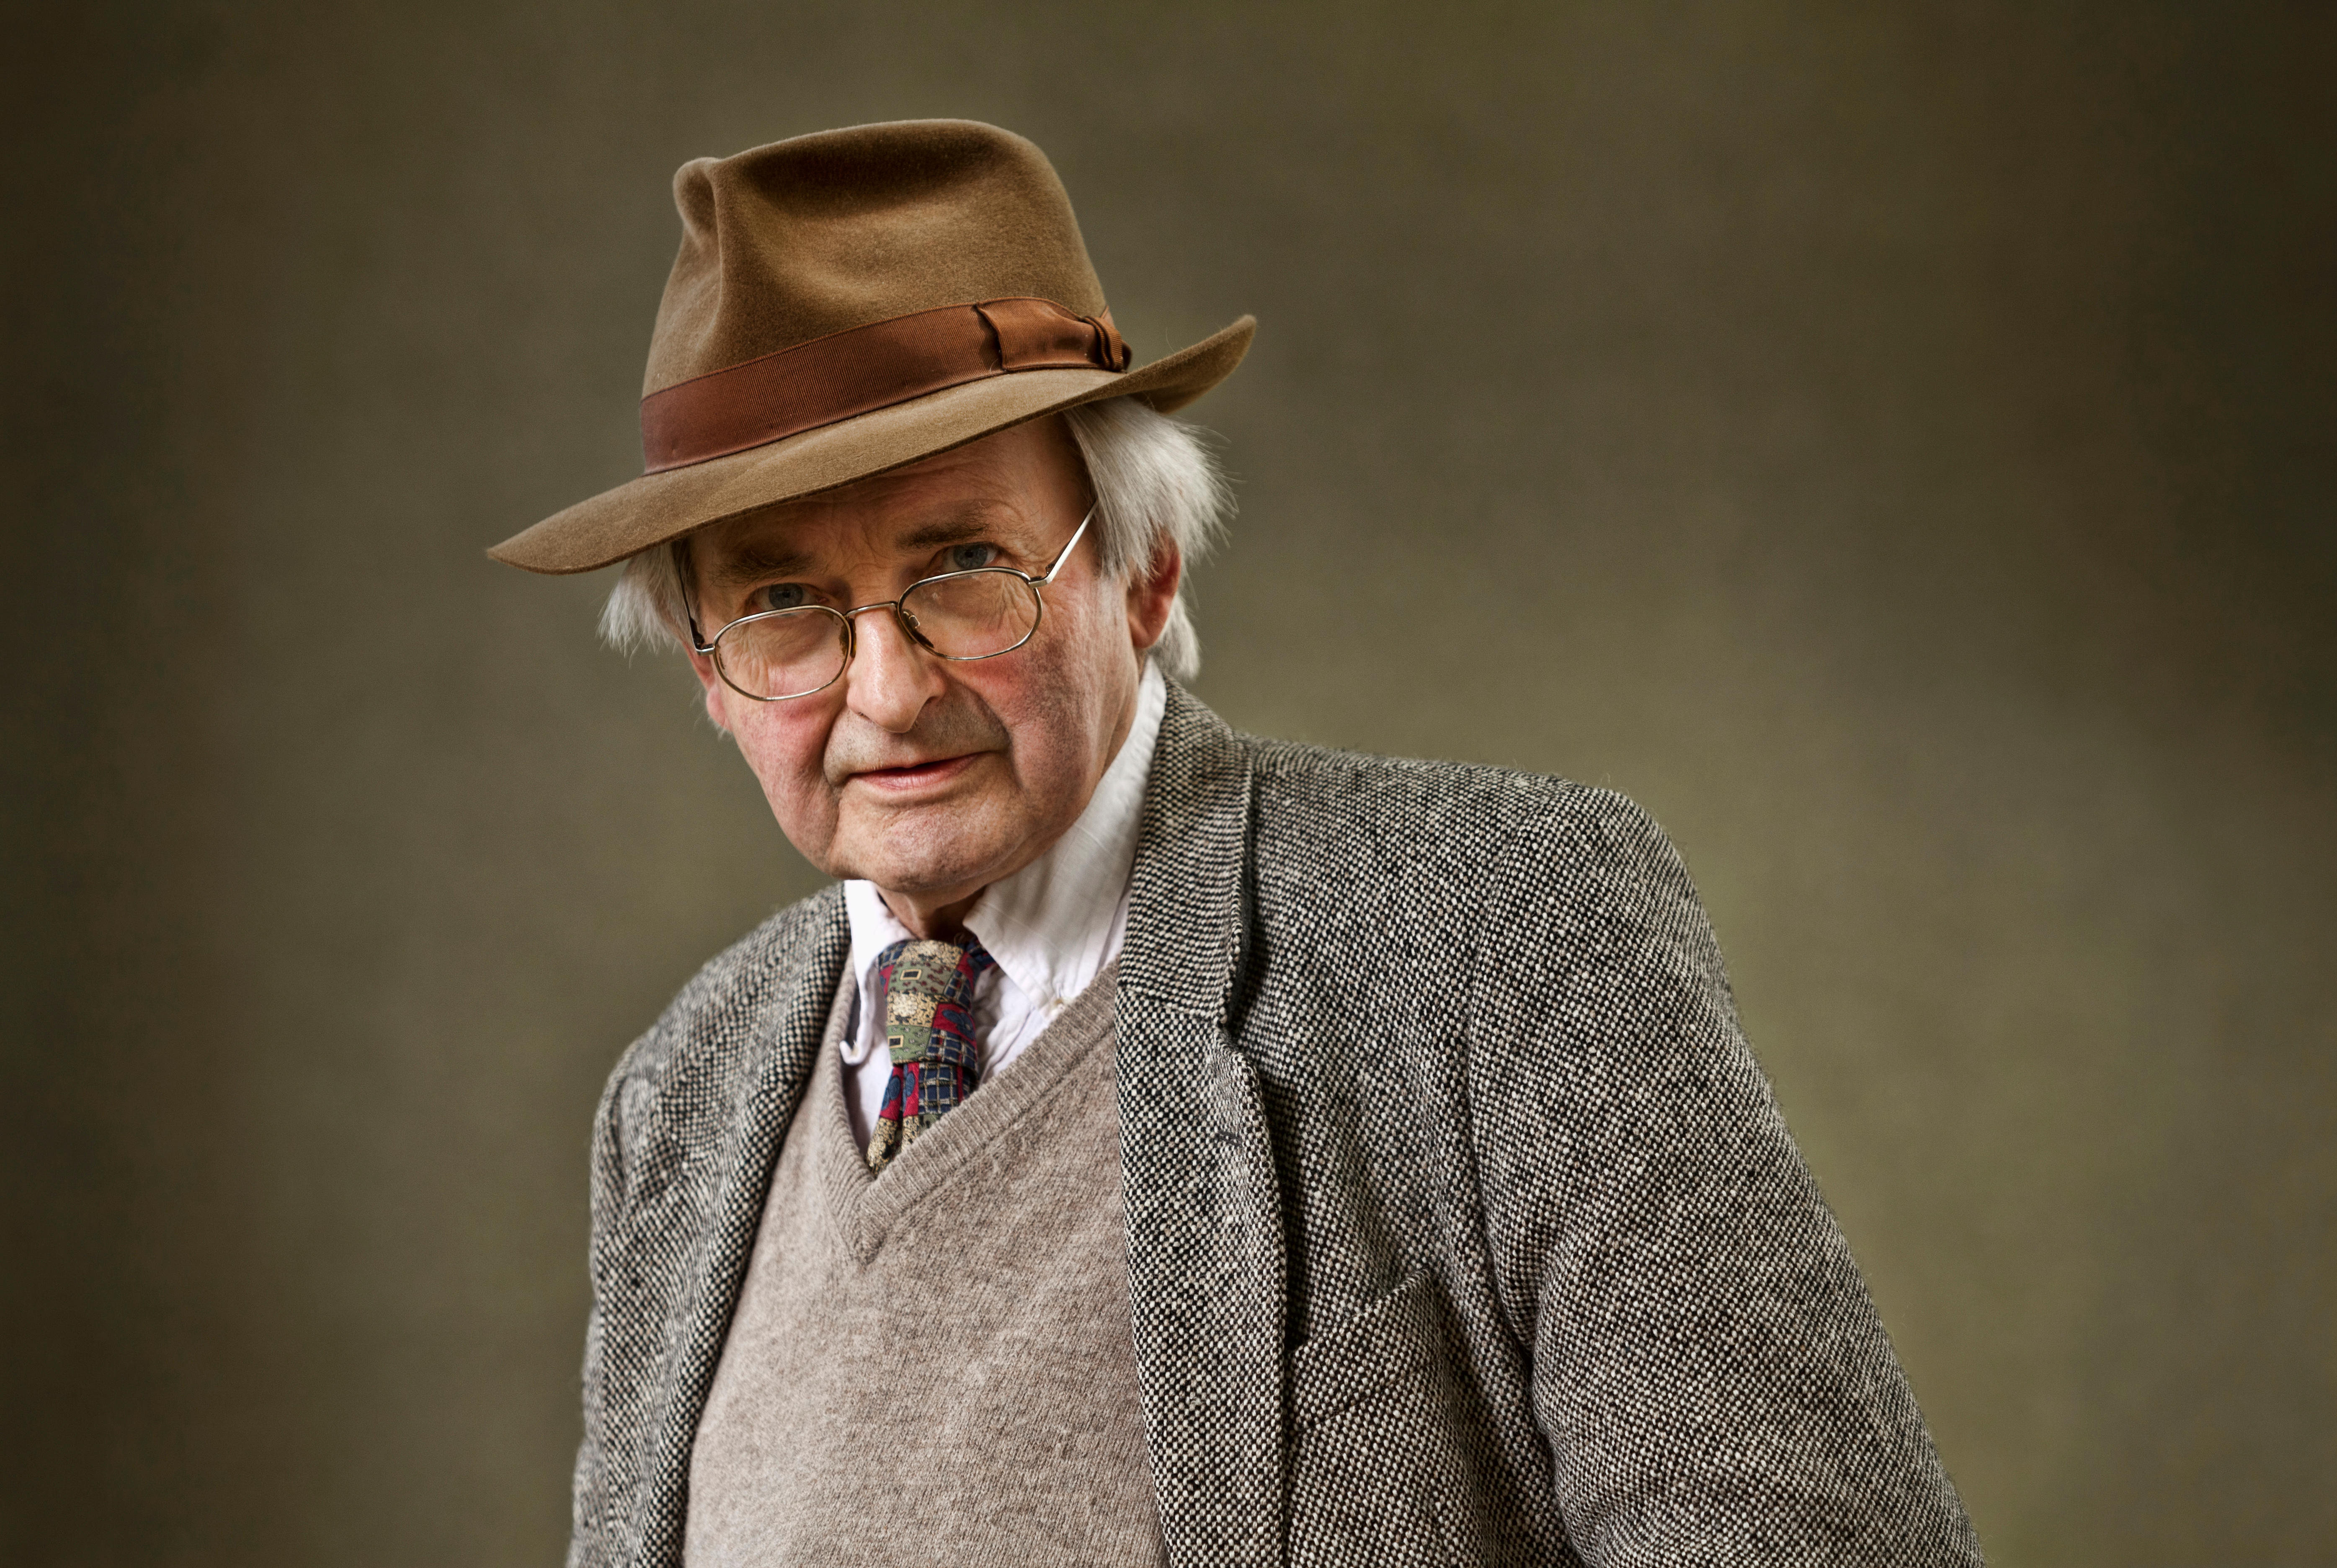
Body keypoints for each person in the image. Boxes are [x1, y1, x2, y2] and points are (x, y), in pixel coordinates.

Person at [492, 119, 1981, 1568]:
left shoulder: (1500, 932)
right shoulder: (679, 1098)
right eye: (780, 607)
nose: (889, 692)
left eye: (964, 567)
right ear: (707, 668)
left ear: (1143, 572)